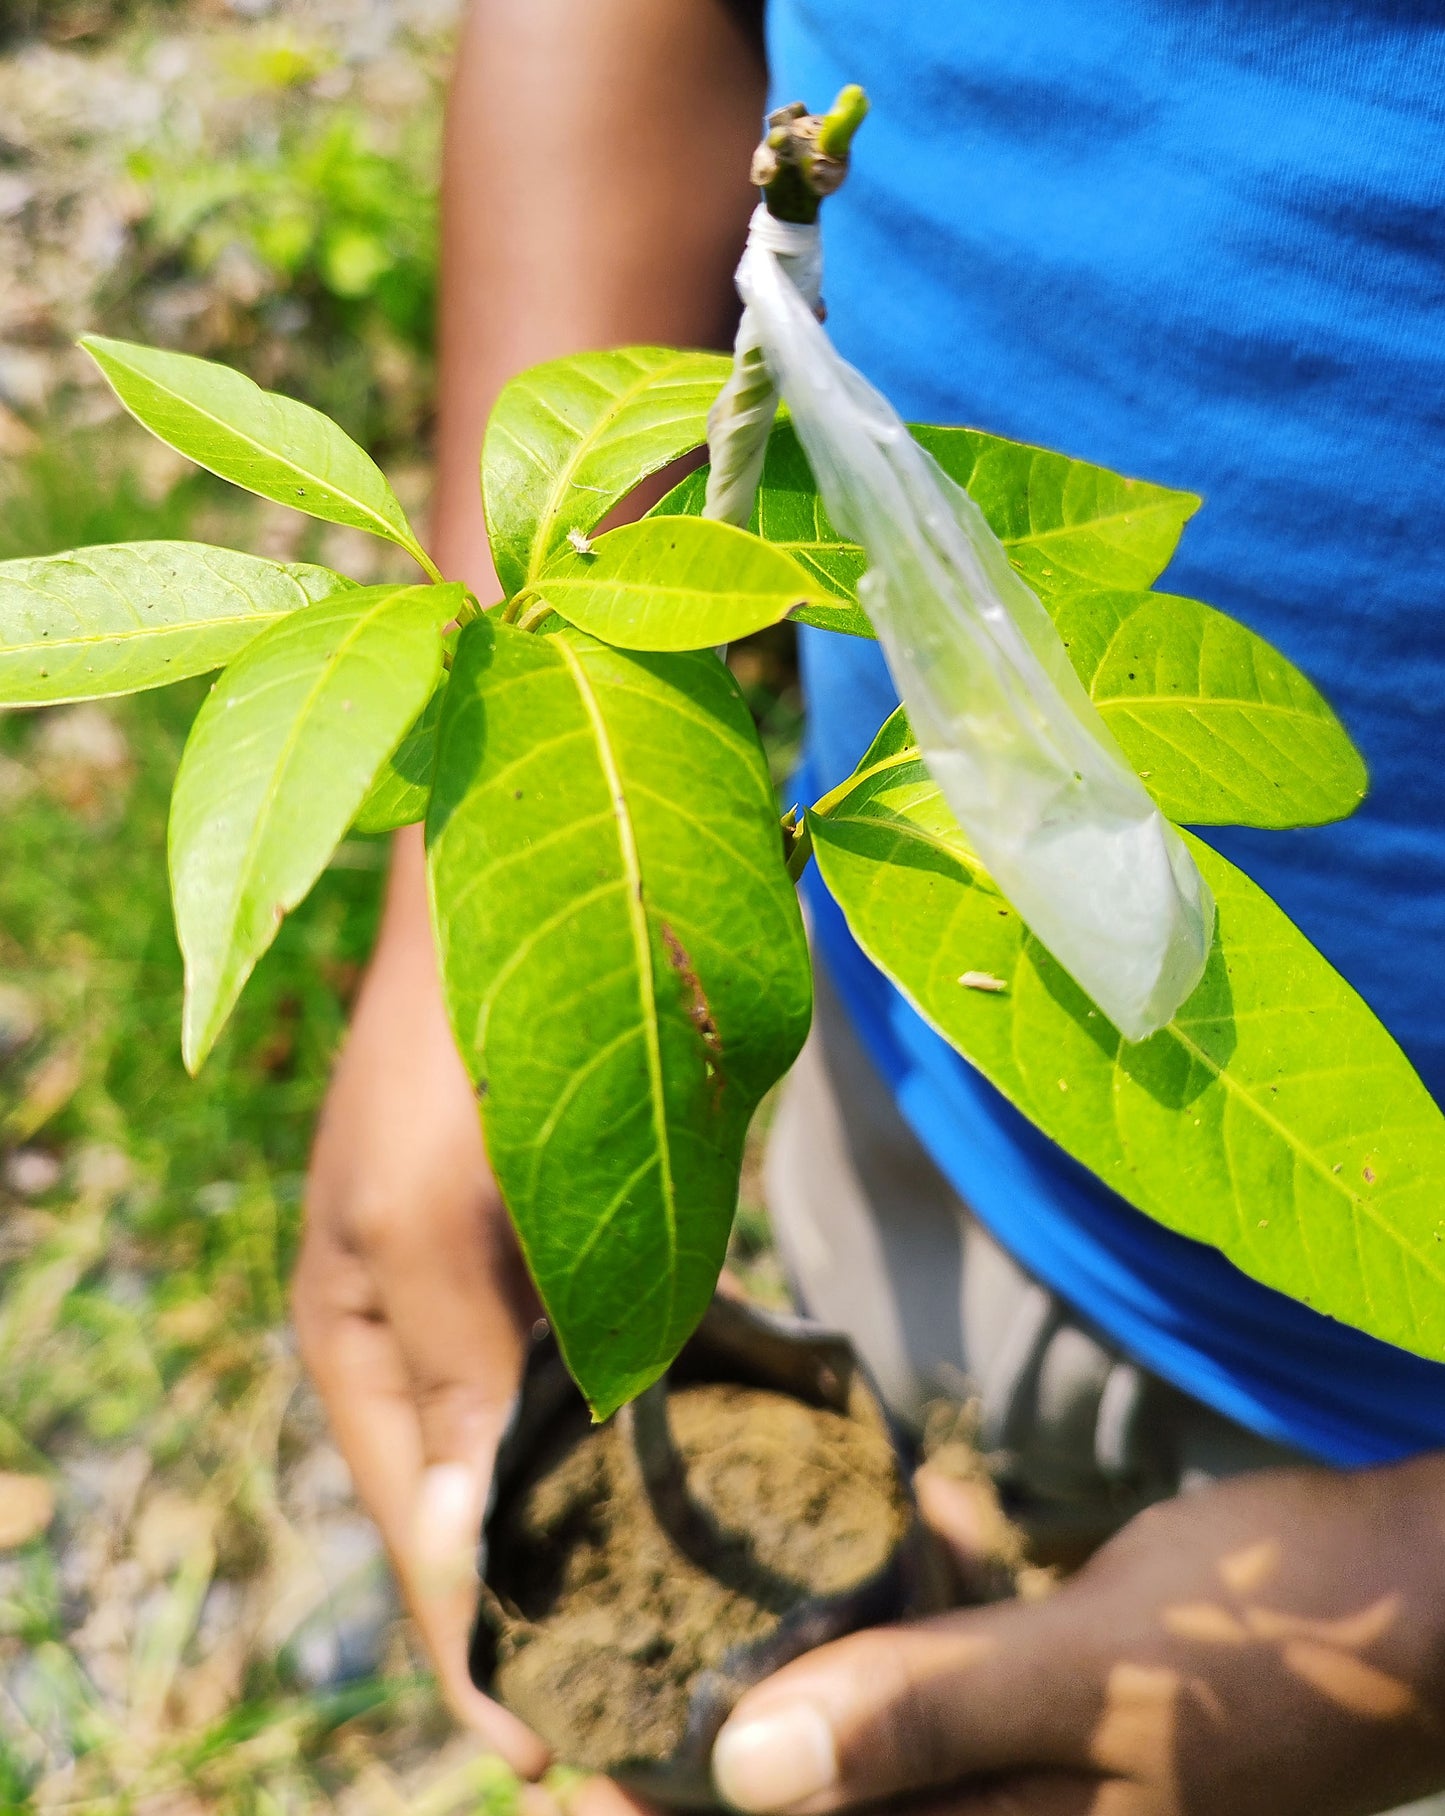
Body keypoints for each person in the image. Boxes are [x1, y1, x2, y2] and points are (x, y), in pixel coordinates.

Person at [292, 2, 1445, 1811]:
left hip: (1401, 1396)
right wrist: (491, 897)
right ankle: (971, 1526)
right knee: (867, 1381)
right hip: (917, 1048)